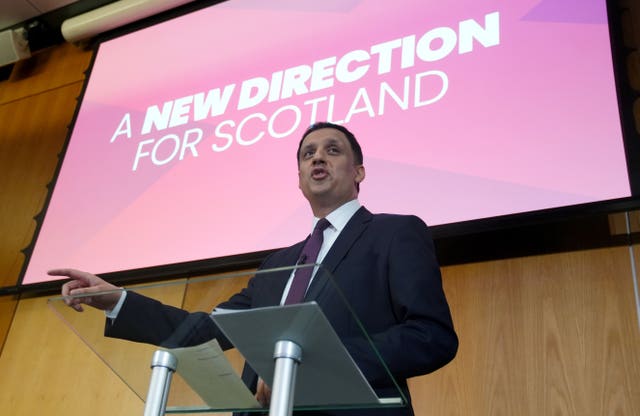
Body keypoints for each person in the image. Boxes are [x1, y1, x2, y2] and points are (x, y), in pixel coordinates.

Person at [50, 121, 458, 416]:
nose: (317, 156)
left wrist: (305, 366)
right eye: (307, 153)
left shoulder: (395, 233)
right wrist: (117, 300)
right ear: (299, 178)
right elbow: (206, 330)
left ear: (359, 173)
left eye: (333, 150)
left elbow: (431, 336)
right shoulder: (278, 264)